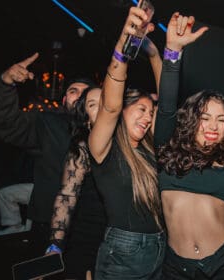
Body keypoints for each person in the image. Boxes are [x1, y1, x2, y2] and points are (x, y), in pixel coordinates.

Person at [154, 12, 224, 279]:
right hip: (176, 269)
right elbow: (167, 106)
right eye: (204, 118)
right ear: (191, 120)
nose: (213, 126)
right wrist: (173, 51)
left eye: (220, 119)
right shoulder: (167, 151)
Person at [0, 53, 96, 253]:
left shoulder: (108, 131)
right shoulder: (48, 124)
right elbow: (7, 124)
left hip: (92, 228)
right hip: (48, 224)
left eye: (86, 92)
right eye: (73, 91)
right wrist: (5, 84)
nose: (80, 95)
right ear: (64, 100)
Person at [88, 7, 164, 279]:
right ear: (124, 110)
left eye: (150, 113)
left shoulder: (147, 147)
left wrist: (153, 52)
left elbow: (167, 104)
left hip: (160, 247)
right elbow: (110, 105)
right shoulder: (104, 148)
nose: (147, 118)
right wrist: (123, 45)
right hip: (123, 252)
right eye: (141, 110)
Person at [45, 86, 106, 279]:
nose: (102, 107)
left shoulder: (128, 143)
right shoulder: (82, 148)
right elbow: (67, 196)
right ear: (86, 117)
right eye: (92, 104)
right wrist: (56, 244)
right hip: (88, 238)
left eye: (105, 101)